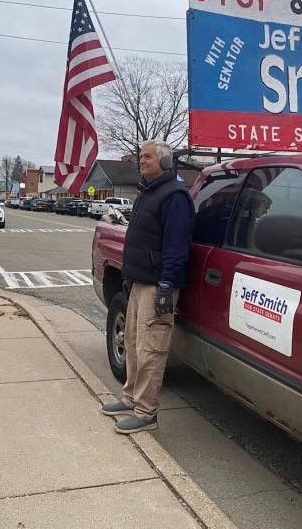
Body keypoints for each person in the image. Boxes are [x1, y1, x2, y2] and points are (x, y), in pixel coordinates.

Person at [101, 140, 194, 434]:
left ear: (165, 163)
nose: (141, 161)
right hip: (138, 282)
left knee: (151, 349)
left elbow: (177, 247)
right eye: (140, 157)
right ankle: (130, 398)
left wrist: (167, 285)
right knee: (132, 343)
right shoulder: (147, 192)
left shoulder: (175, 197)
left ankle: (146, 413)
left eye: (148, 157)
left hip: (158, 285)